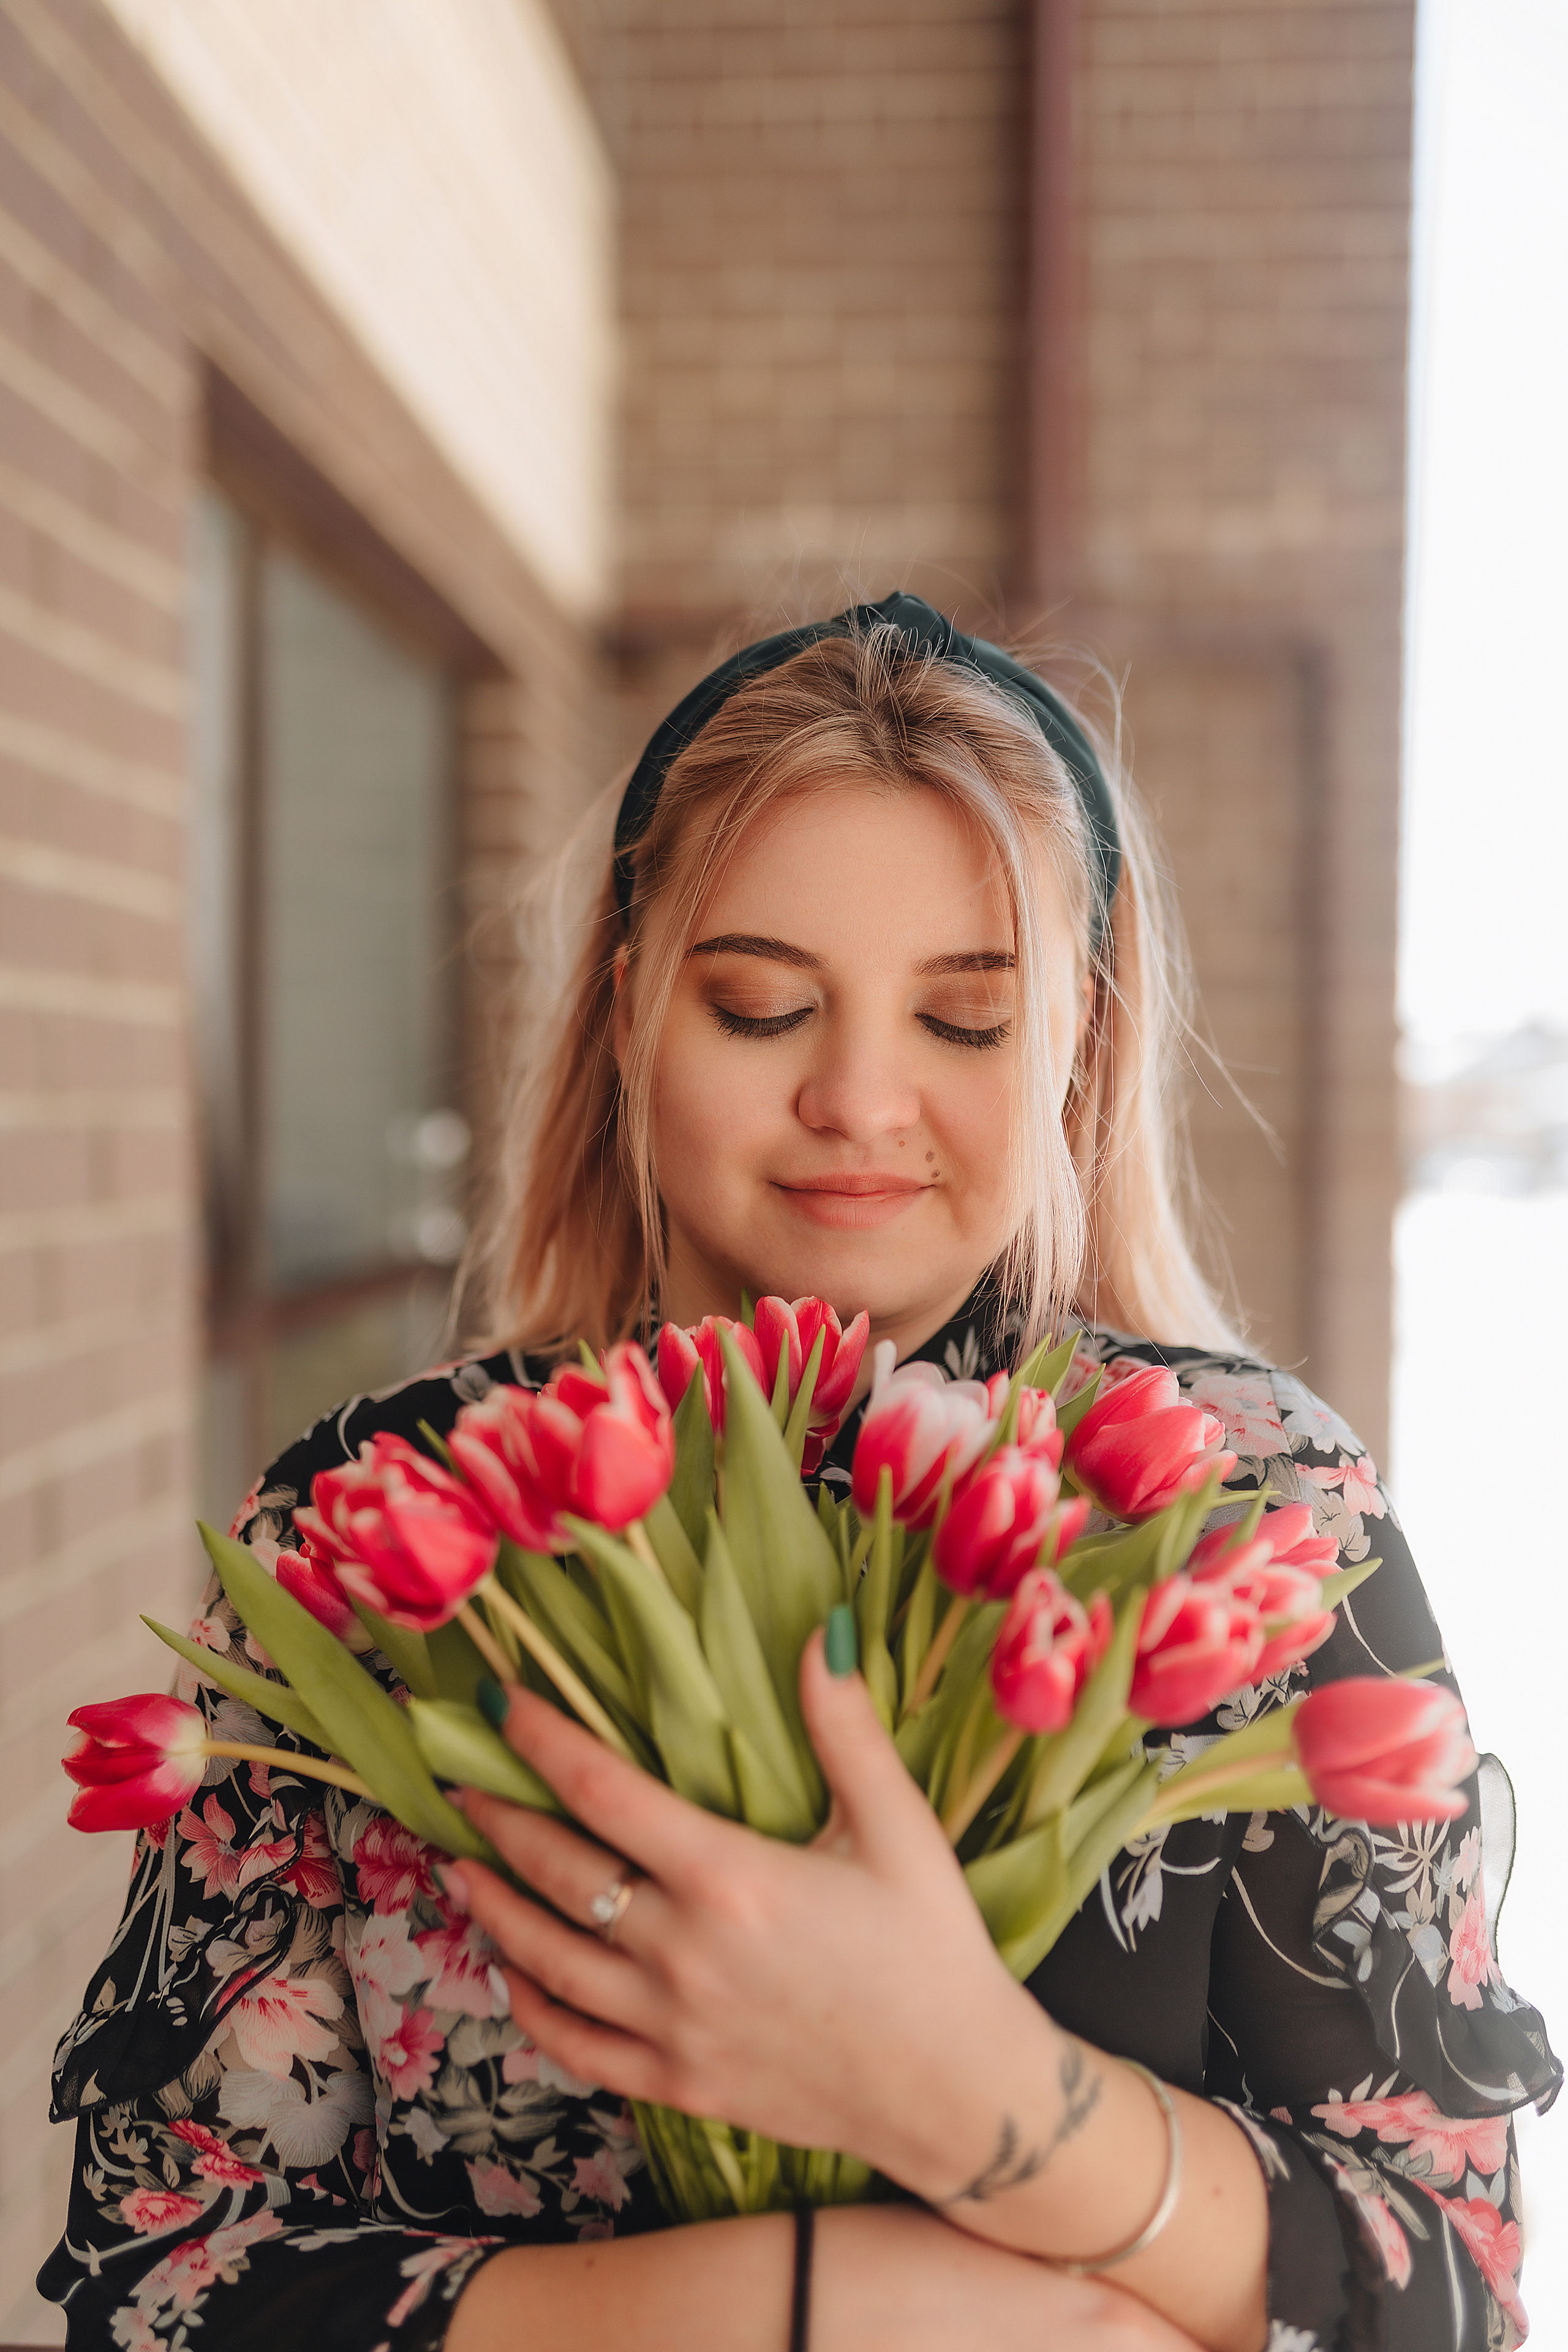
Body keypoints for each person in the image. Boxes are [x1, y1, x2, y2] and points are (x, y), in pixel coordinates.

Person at [41, 596, 1558, 2350]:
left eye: (966, 1022)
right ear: (627, 1021)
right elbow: (154, 2275)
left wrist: (988, 2105)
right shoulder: (378, 1517)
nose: (859, 1097)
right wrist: (815, 2309)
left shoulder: (1241, 1509)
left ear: (1079, 1053)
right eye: (762, 1007)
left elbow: (1450, 2286)